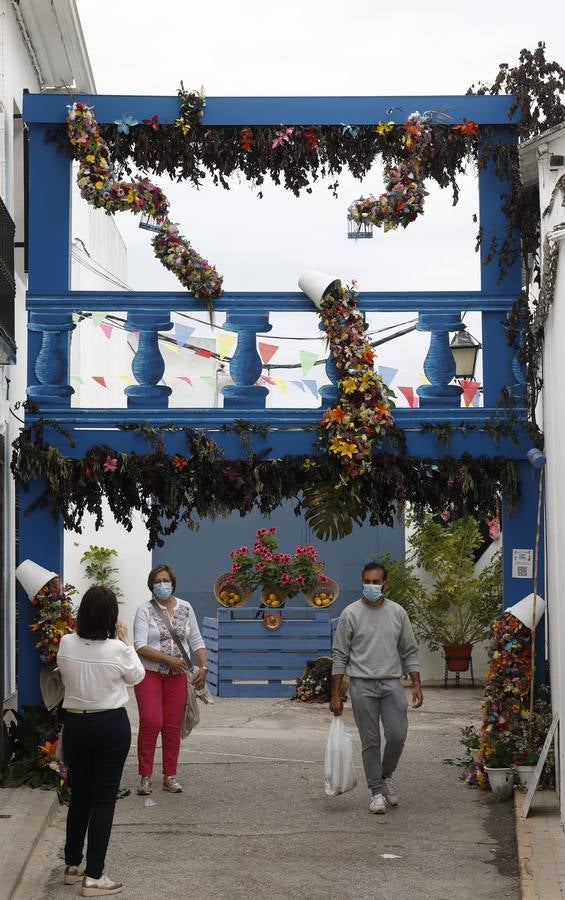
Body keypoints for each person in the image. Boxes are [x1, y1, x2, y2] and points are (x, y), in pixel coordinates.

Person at [57, 585, 145, 897]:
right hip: (109, 724)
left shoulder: (66, 643)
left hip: (76, 724)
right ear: (111, 617)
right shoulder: (117, 649)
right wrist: (125, 640)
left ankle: (72, 865)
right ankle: (94, 876)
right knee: (104, 799)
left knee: (79, 795)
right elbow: (137, 676)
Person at [330, 560, 423, 815]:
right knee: (370, 741)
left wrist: (416, 683)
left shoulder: (397, 613)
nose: (371, 586)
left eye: (376, 582)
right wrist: (336, 695)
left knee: (397, 734)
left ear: (385, 584)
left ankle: (386, 775)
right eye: (367, 582)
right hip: (361, 685)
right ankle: (376, 792)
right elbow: (339, 655)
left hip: (392, 683)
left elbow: (410, 650)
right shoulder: (350, 614)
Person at [133, 563, 208, 795]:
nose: (162, 585)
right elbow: (140, 646)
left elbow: (196, 639)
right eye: (157, 581)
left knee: (172, 726)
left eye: (166, 580)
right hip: (150, 674)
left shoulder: (186, 607)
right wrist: (168, 659)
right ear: (151, 585)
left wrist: (203, 666)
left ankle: (169, 776)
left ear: (173, 583)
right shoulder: (144, 610)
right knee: (151, 721)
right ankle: (145, 776)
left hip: (177, 677)